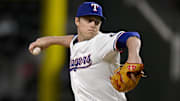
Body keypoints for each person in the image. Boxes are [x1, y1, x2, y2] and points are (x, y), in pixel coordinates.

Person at [29, 2, 143, 101]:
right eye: (89, 20)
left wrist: (134, 56)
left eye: (97, 22)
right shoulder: (76, 43)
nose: (93, 24)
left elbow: (132, 37)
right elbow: (73, 40)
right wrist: (48, 40)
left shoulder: (102, 41)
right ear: (77, 21)